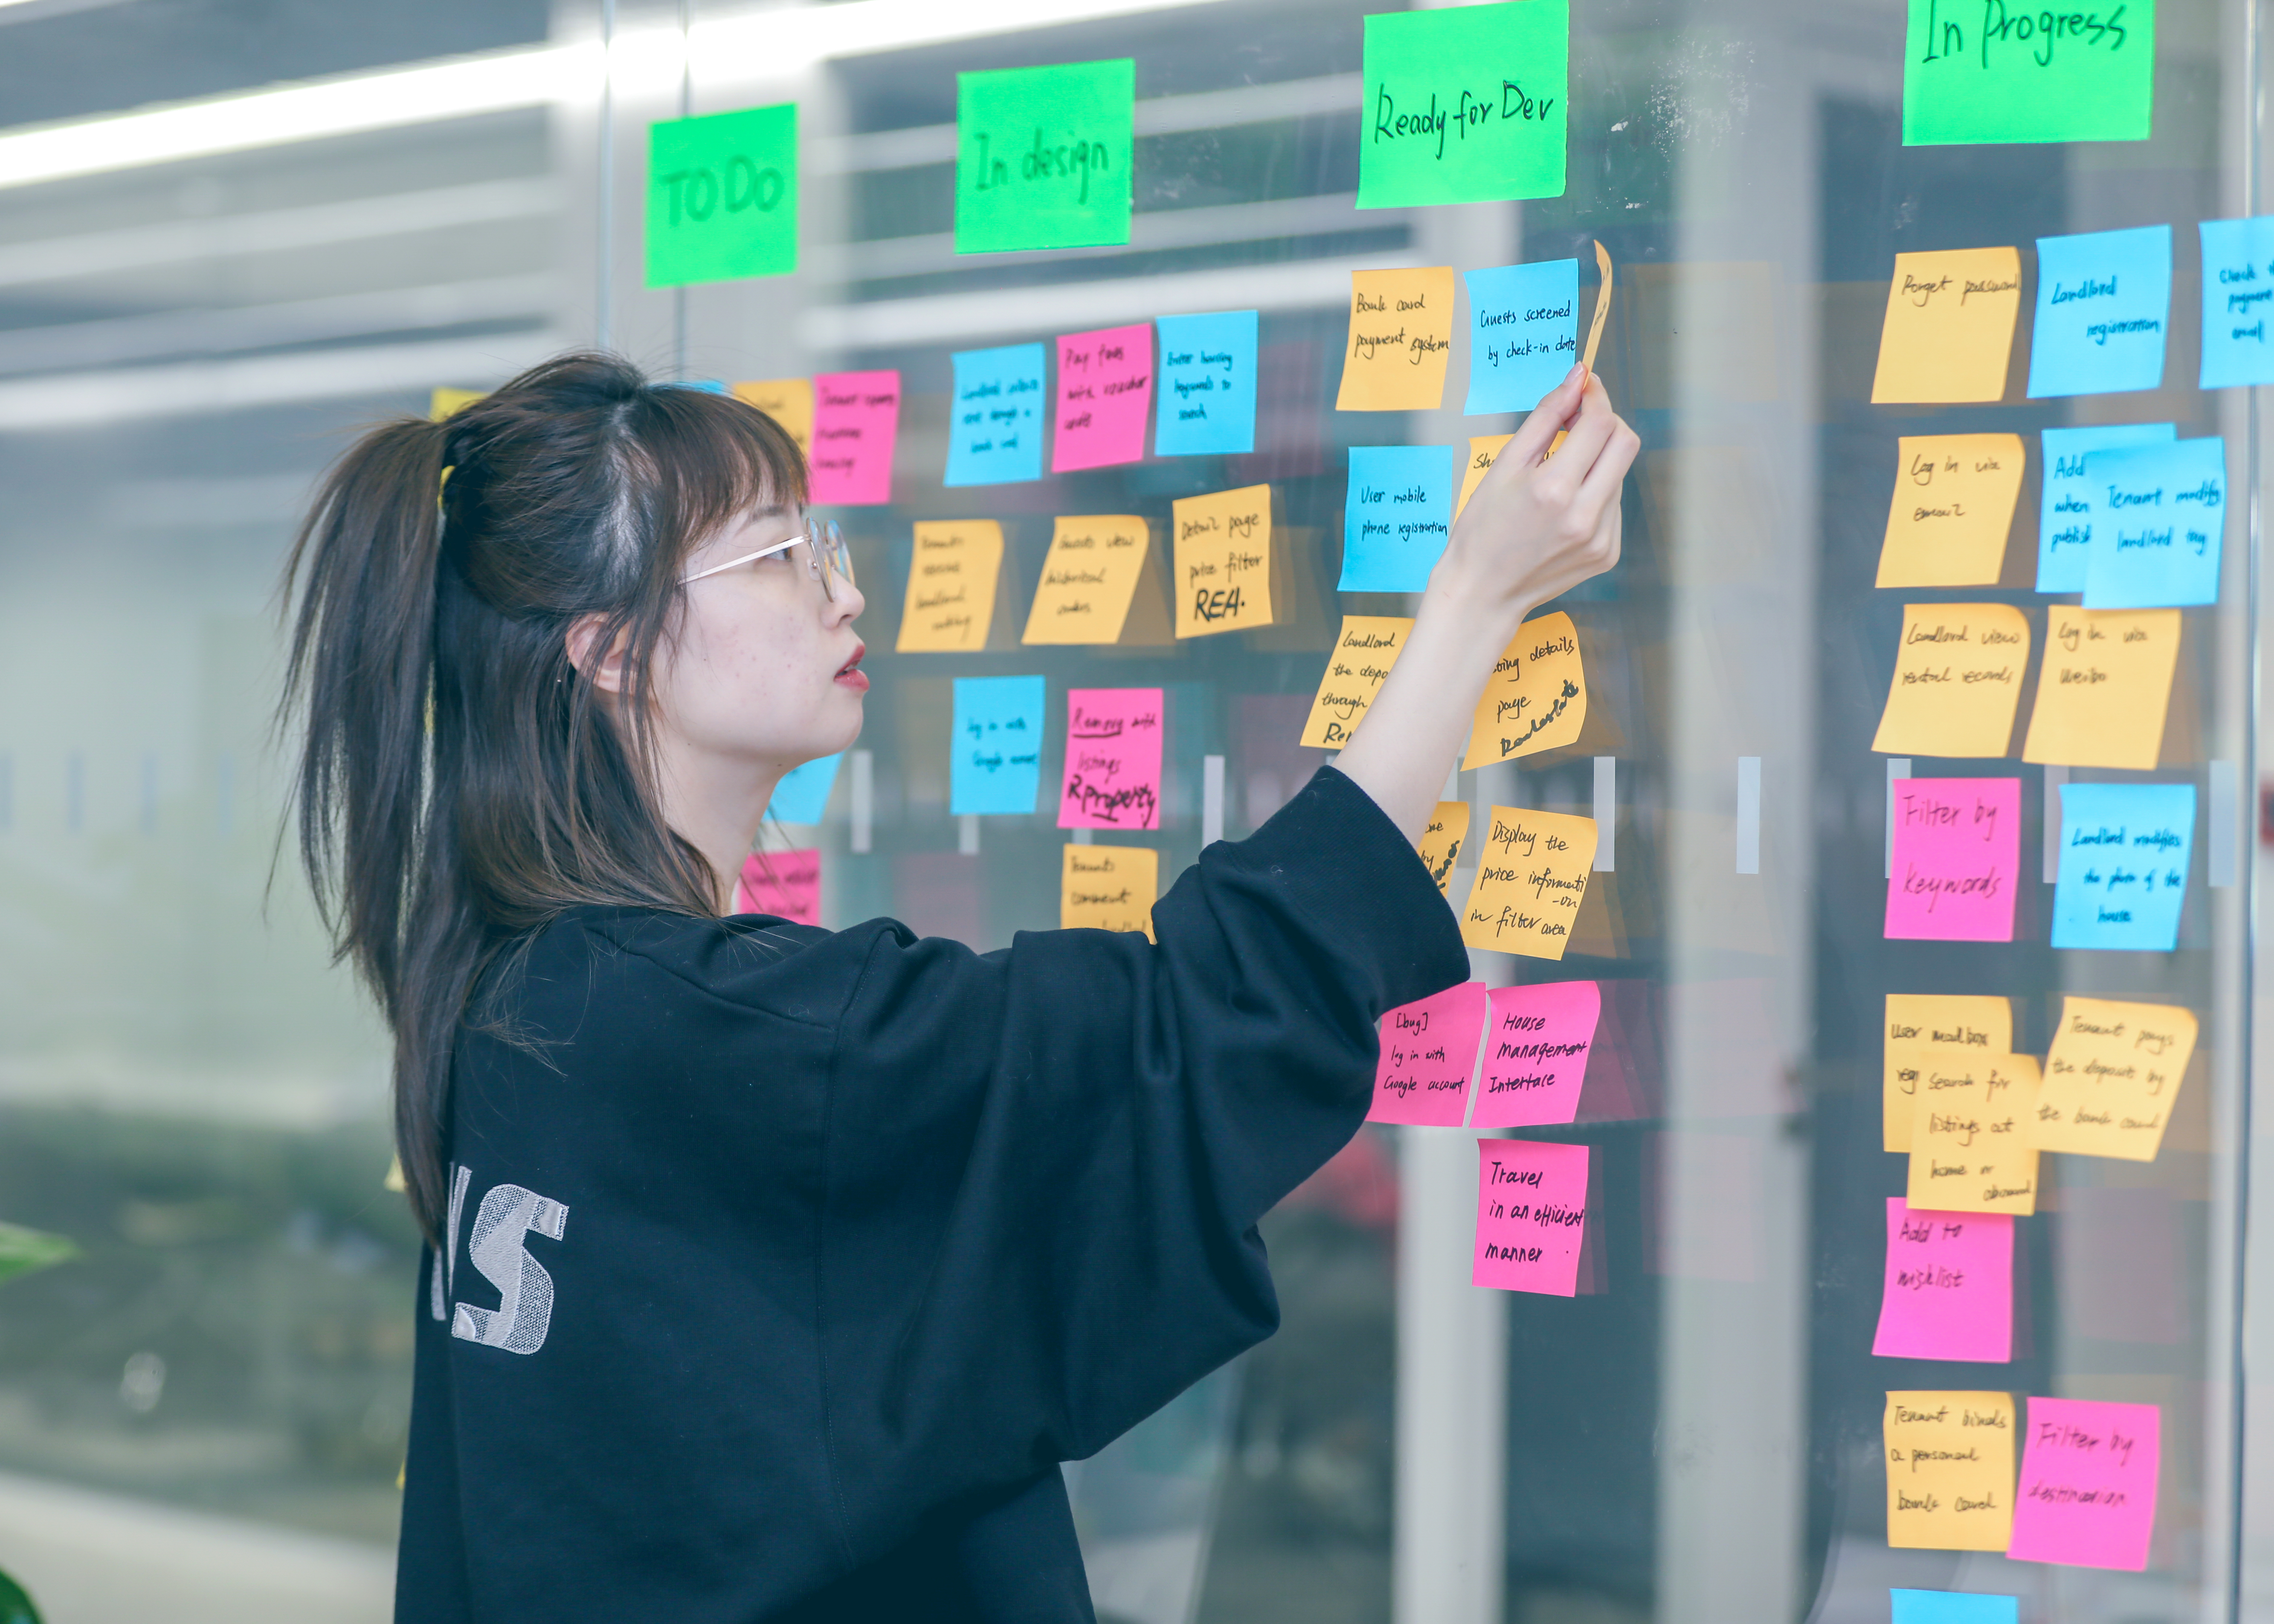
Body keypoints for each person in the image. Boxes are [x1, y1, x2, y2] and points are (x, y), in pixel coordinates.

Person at [279, 349, 1636, 1621]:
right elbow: (1187, 1027)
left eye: (826, 543)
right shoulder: (718, 1037)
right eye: (777, 554)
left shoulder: (521, 996)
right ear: (611, 650)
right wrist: (1476, 600)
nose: (843, 591)